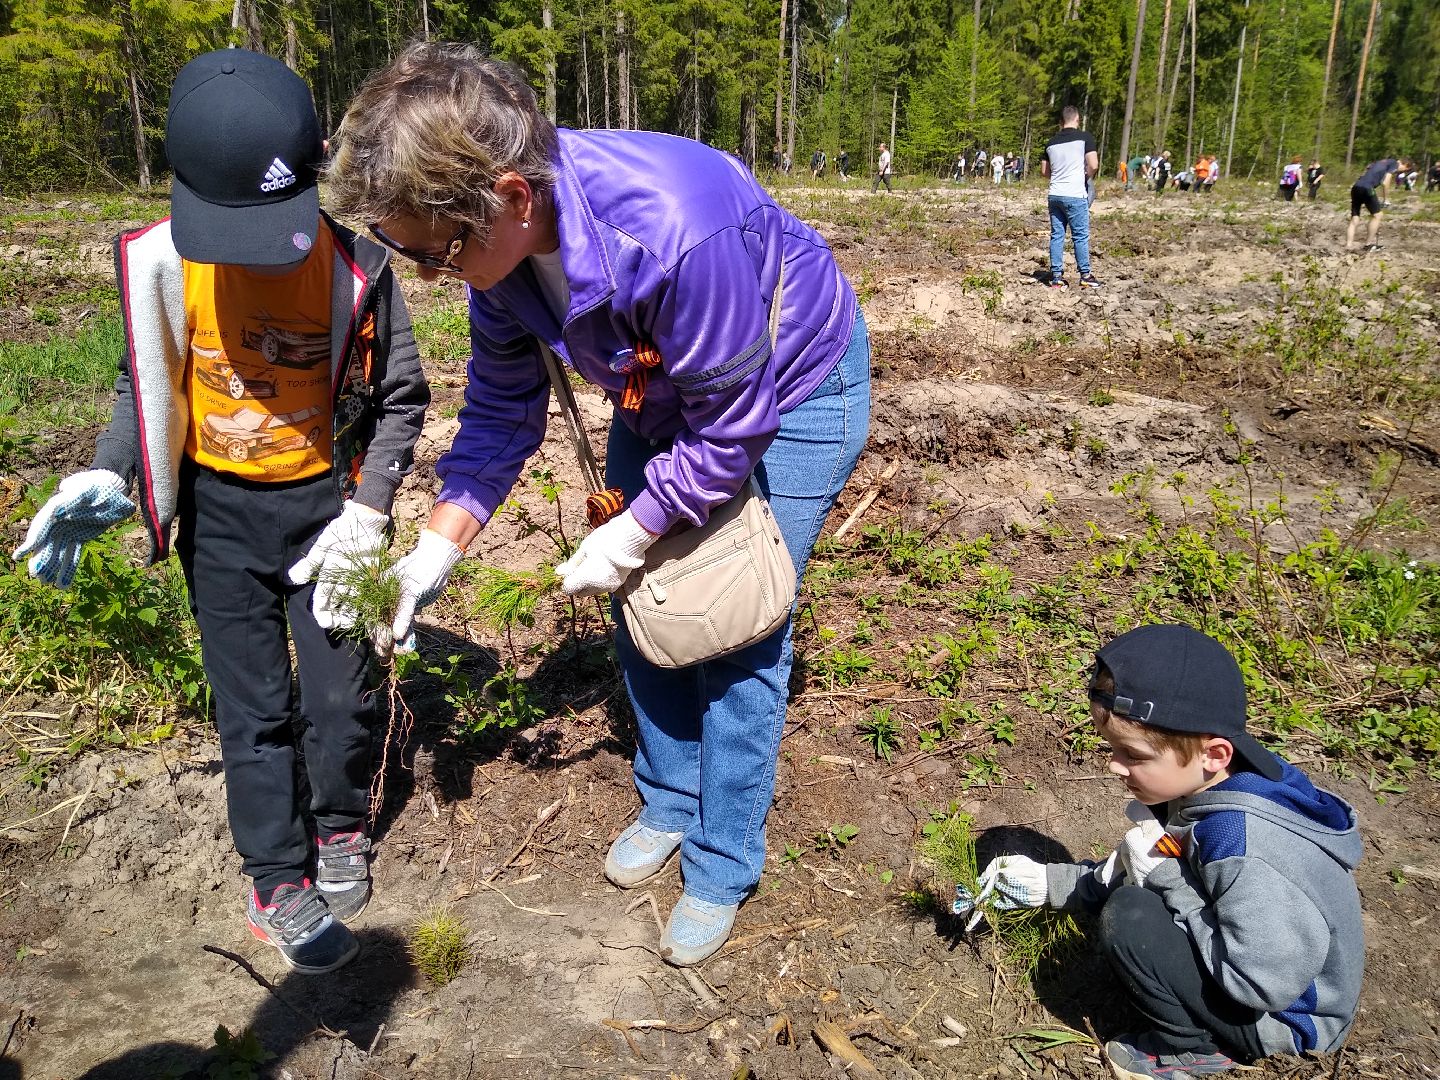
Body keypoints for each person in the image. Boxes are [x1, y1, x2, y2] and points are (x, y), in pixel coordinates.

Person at [326, 41, 871, 967]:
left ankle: (723, 856)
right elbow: (502, 410)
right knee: (642, 596)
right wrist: (434, 552)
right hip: (658, 390)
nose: (424, 275)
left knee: (733, 618)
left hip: (788, 393)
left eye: (435, 250)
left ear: (511, 193)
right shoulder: (494, 254)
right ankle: (670, 792)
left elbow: (734, 431)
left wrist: (640, 525)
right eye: (405, 252)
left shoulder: (677, 227)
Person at [10, 49, 430, 974]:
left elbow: (401, 398)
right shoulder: (163, 264)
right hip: (221, 517)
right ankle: (276, 873)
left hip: (329, 511)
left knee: (339, 696)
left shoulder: (357, 268)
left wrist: (369, 507)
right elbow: (146, 381)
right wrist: (113, 471)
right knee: (254, 707)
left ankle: (335, 825)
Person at [959, 624, 1363, 1080]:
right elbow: (1141, 861)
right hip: (1251, 963)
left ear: (1214, 753)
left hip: (1285, 1023)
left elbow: (1258, 983)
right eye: (1112, 748)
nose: (1114, 765)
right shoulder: (1202, 786)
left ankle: (1193, 1050)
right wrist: (1050, 884)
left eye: (1132, 755)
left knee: (1132, 916)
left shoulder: (1246, 844)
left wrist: (1167, 880)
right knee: (1137, 896)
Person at [1041, 105, 1101, 290]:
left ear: (1060, 122)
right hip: (1075, 193)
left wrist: (1060, 176)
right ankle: (1085, 275)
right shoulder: (1085, 138)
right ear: (1077, 119)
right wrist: (1084, 177)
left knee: (1057, 235)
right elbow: (1093, 164)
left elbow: (1044, 171)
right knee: (1080, 236)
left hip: (1055, 193)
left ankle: (1057, 277)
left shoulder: (1050, 143)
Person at [1347, 156, 1411, 251]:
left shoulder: (1381, 162)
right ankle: (1368, 245)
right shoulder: (1394, 163)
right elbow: (1386, 182)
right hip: (1367, 188)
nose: (1401, 172)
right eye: (1404, 170)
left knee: (1355, 217)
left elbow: (1368, 168)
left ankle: (1348, 245)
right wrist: (1386, 199)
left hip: (1356, 186)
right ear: (1404, 164)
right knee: (1378, 215)